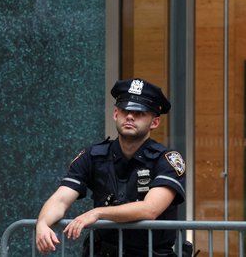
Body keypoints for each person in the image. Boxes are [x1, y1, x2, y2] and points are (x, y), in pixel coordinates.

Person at [35, 78, 186, 257]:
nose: (130, 116)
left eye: (139, 113)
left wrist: (97, 213)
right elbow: (60, 199)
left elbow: (150, 209)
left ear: (154, 123)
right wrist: (42, 224)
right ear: (116, 114)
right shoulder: (92, 156)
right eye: (125, 110)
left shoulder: (166, 160)